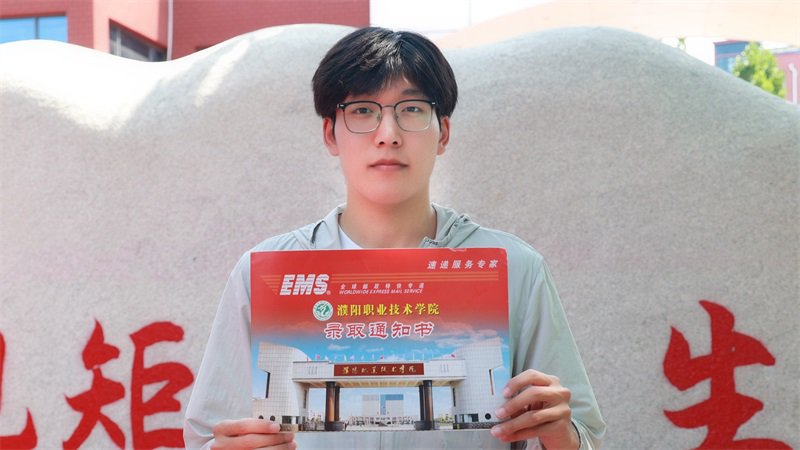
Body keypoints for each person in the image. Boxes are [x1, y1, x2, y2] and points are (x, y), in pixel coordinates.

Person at [184, 27, 606, 450]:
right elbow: (206, 435)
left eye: (412, 109)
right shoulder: (267, 274)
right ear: (330, 134)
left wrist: (561, 434)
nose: (388, 133)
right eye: (362, 111)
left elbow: (584, 436)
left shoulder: (515, 268)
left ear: (443, 133)